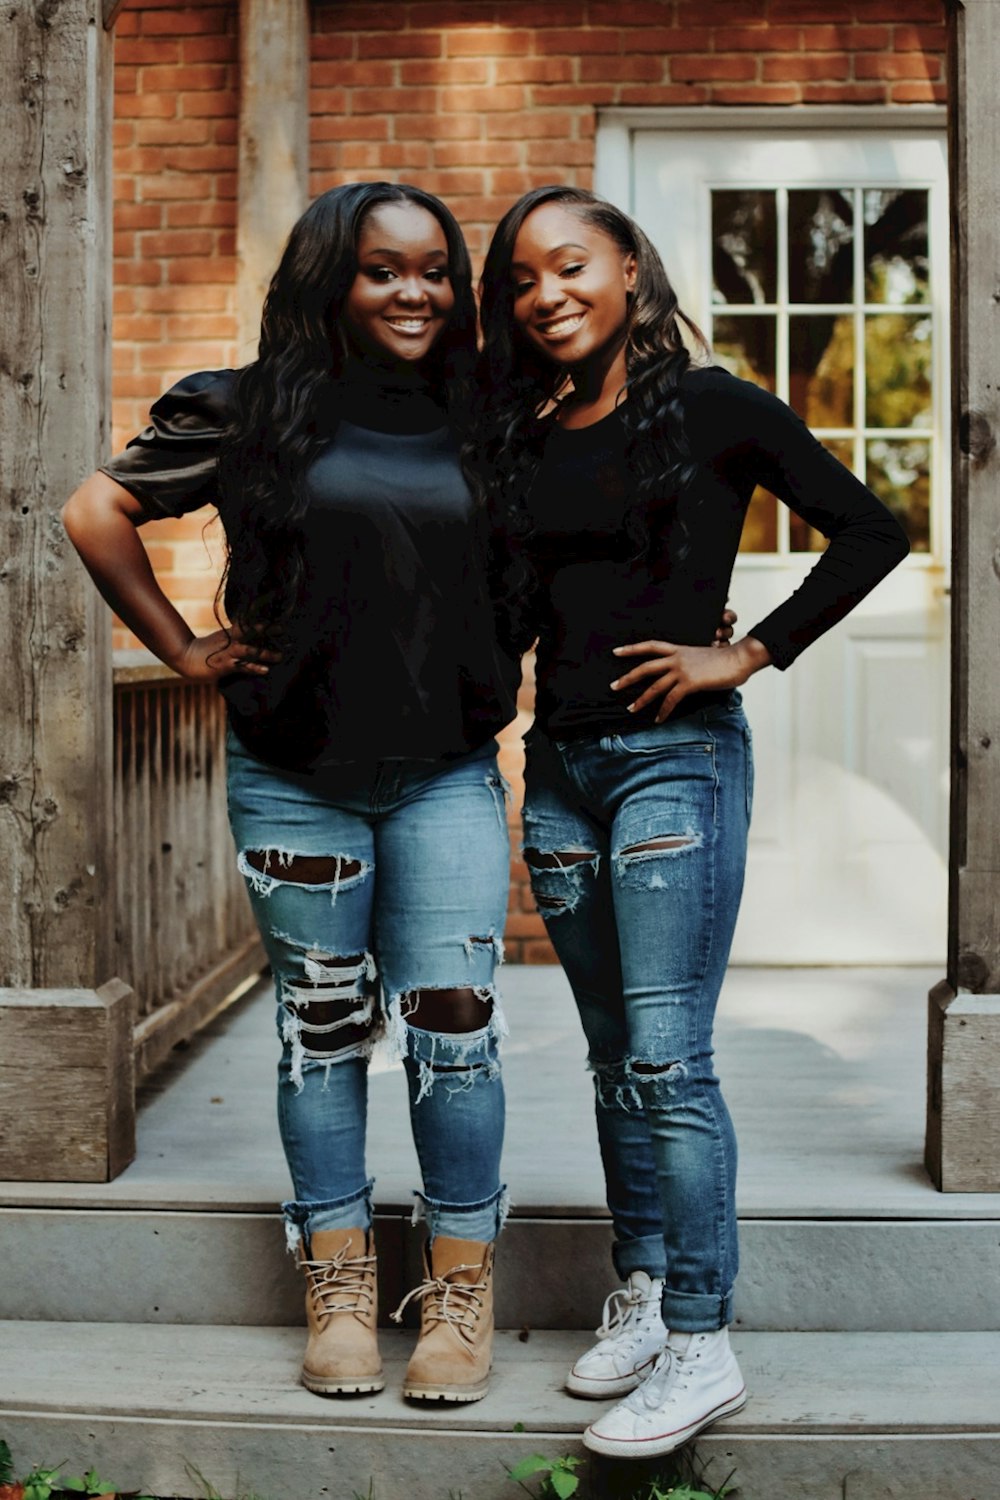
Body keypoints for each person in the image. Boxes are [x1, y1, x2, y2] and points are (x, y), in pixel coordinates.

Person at [62, 182, 520, 1406]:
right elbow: (94, 508)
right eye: (383, 270)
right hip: (294, 782)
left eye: (434, 270)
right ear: (331, 278)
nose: (414, 292)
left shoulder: (484, 410)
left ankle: (460, 1294)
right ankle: (338, 1286)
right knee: (322, 1037)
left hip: (445, 779)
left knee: (454, 1036)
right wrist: (178, 647)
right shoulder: (245, 407)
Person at [478, 185, 910, 1459]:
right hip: (557, 769)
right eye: (521, 279)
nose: (545, 292)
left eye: (570, 266)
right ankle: (650, 1288)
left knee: (669, 1058)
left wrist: (749, 653)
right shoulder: (528, 427)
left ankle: (705, 1340)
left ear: (627, 270)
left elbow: (870, 529)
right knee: (616, 1058)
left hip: (675, 762)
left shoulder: (713, 406)